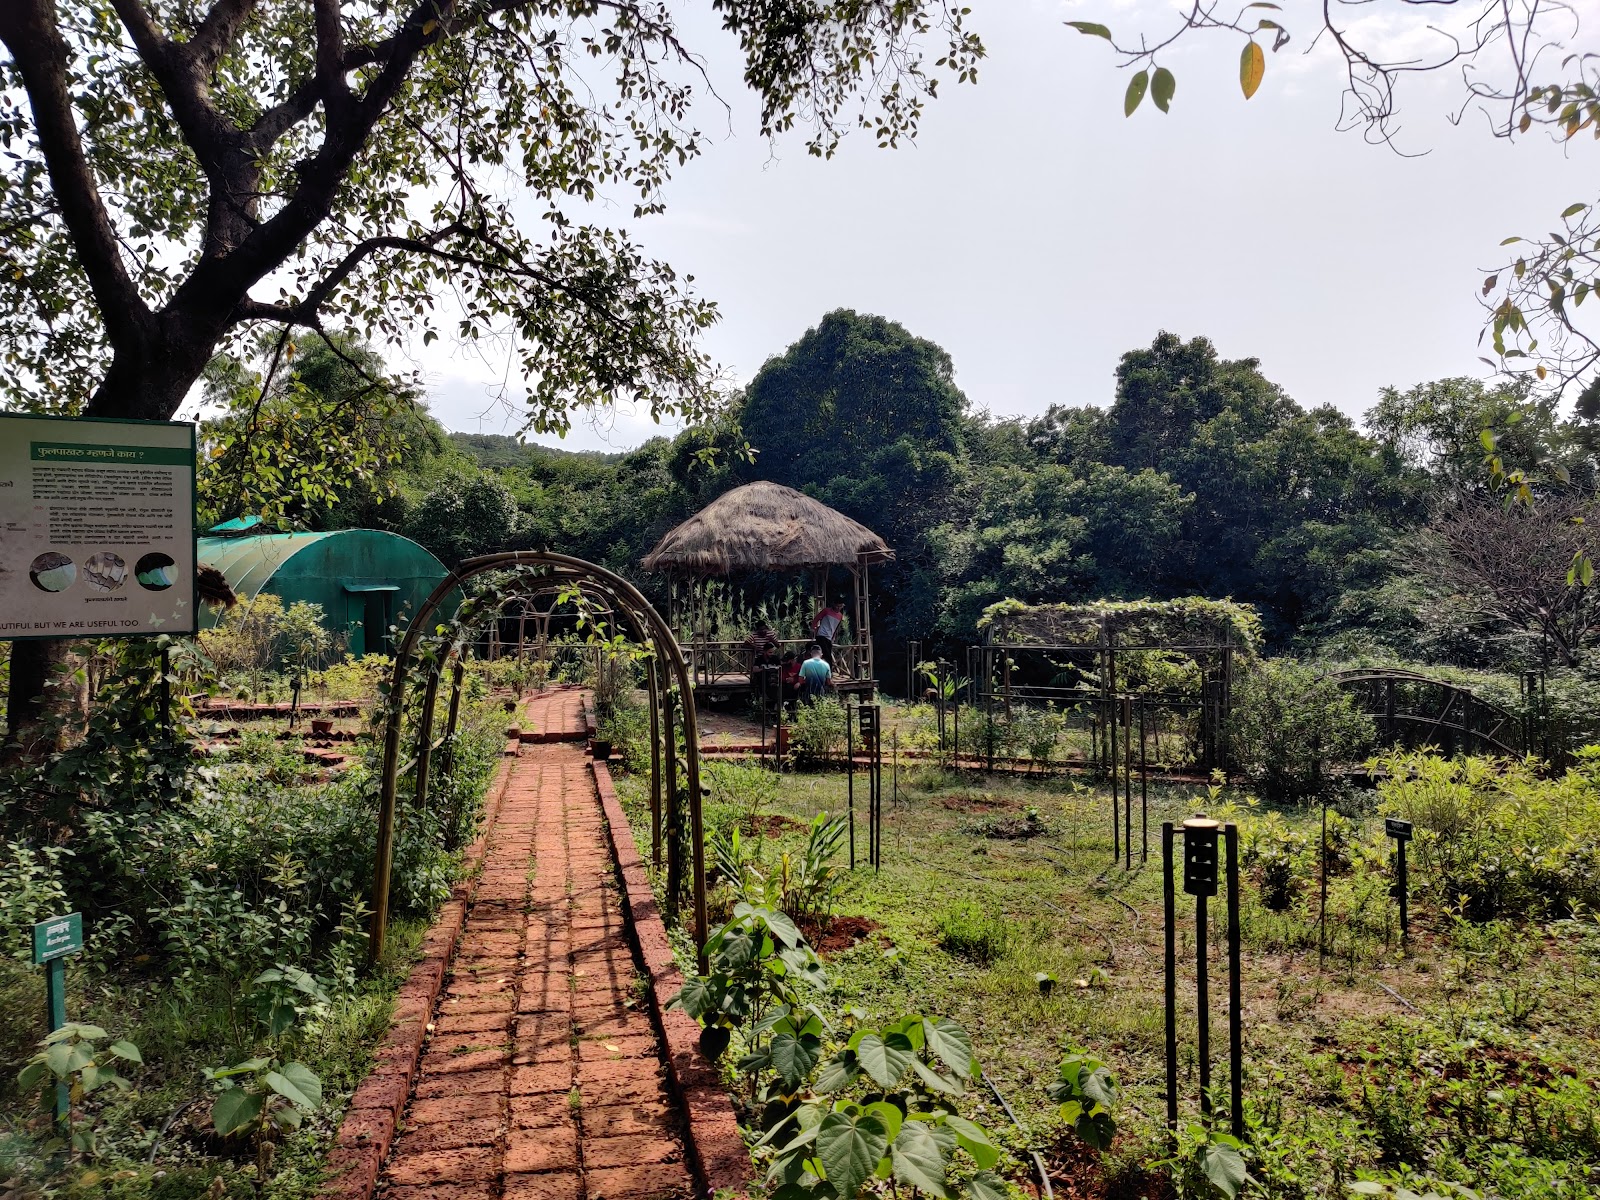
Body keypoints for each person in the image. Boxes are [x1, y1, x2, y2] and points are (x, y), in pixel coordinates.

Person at [811, 599, 845, 670]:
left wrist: (833, 637)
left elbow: (836, 628)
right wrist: (813, 628)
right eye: (837, 606)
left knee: (826, 654)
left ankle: (824, 672)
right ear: (834, 605)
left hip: (829, 637)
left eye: (840, 606)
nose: (838, 608)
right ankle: (828, 674)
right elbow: (817, 618)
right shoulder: (826, 611)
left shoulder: (840, 616)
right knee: (827, 655)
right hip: (821, 635)